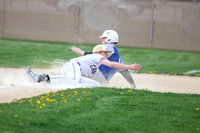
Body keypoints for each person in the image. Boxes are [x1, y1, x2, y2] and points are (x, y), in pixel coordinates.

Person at [27, 44, 141, 88]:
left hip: (72, 68)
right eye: (105, 52)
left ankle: (40, 79)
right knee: (73, 79)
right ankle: (44, 78)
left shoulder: (95, 66)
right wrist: (129, 67)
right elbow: (111, 64)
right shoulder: (97, 57)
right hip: (73, 65)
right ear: (98, 53)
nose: (107, 54)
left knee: (96, 85)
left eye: (107, 53)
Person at [71, 30, 137, 88]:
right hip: (103, 81)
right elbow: (125, 71)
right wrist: (133, 85)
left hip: (98, 76)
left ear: (110, 39)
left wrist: (82, 52)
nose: (102, 40)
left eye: (104, 38)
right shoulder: (118, 59)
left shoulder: (109, 46)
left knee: (81, 69)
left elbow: (96, 56)